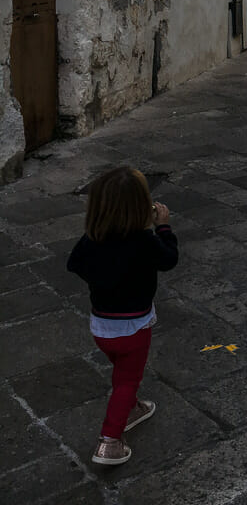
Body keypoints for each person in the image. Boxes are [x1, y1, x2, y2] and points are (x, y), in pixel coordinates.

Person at [67, 165, 178, 466]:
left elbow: (74, 264)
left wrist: (102, 277)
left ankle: (133, 407)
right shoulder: (144, 241)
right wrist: (163, 228)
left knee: (122, 372)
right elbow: (169, 259)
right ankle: (110, 441)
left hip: (101, 326)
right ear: (144, 205)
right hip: (134, 327)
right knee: (127, 379)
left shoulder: (93, 239)